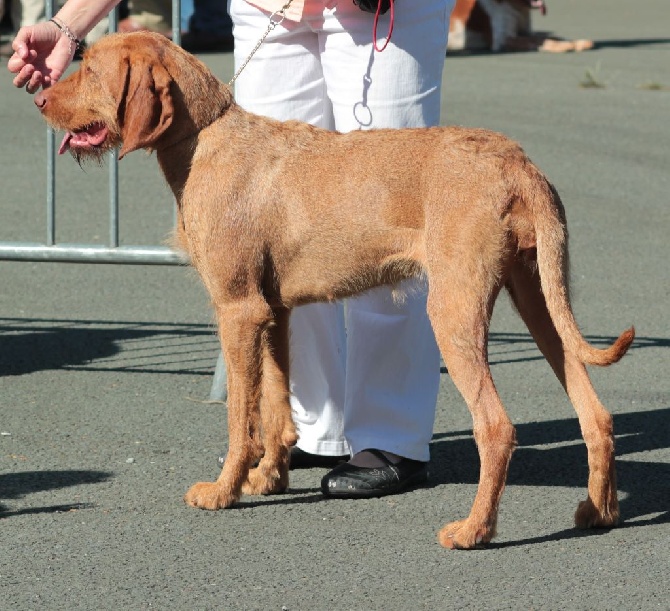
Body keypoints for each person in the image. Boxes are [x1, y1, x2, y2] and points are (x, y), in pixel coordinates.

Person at [7, 0, 455, 498]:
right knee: (280, 247)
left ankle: (390, 437)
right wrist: (68, 25)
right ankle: (311, 427)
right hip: (269, 6)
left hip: (379, 8)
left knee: (385, 217)